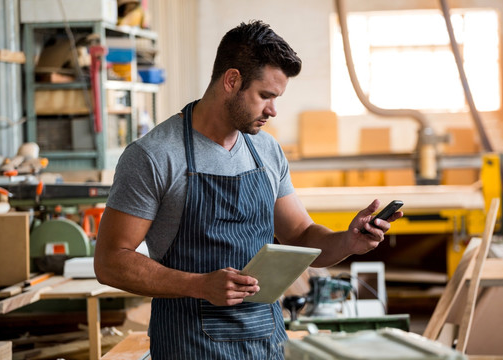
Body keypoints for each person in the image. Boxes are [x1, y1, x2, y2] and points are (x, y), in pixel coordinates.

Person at [94, 20, 403, 359]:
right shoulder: (155, 156)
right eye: (265, 96)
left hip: (264, 345)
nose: (272, 110)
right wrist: (197, 285)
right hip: (188, 348)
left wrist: (348, 241)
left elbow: (300, 234)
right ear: (232, 80)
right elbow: (110, 261)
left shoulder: (267, 152)